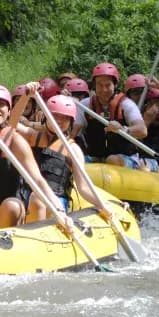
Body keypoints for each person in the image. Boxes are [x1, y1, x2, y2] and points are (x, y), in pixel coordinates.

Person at [0, 83, 66, 228]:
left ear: (8, 110)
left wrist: (59, 210)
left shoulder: (16, 141)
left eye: (0, 104)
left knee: (12, 206)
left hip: (5, 214)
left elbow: (38, 180)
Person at [21, 93, 114, 224]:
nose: (58, 121)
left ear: (71, 122)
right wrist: (26, 96)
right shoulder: (32, 136)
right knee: (27, 199)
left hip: (56, 201)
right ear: (45, 117)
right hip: (26, 195)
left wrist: (103, 204)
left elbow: (83, 188)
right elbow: (10, 126)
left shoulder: (73, 149)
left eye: (64, 118)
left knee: (37, 198)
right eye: (55, 116)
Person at [78, 62, 147, 165]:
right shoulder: (85, 105)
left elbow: (142, 130)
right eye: (100, 85)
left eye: (108, 85)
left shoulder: (126, 104)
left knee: (112, 160)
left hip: (124, 157)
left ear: (115, 85)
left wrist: (124, 129)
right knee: (73, 158)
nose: (104, 89)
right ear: (94, 85)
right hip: (96, 158)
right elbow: (74, 131)